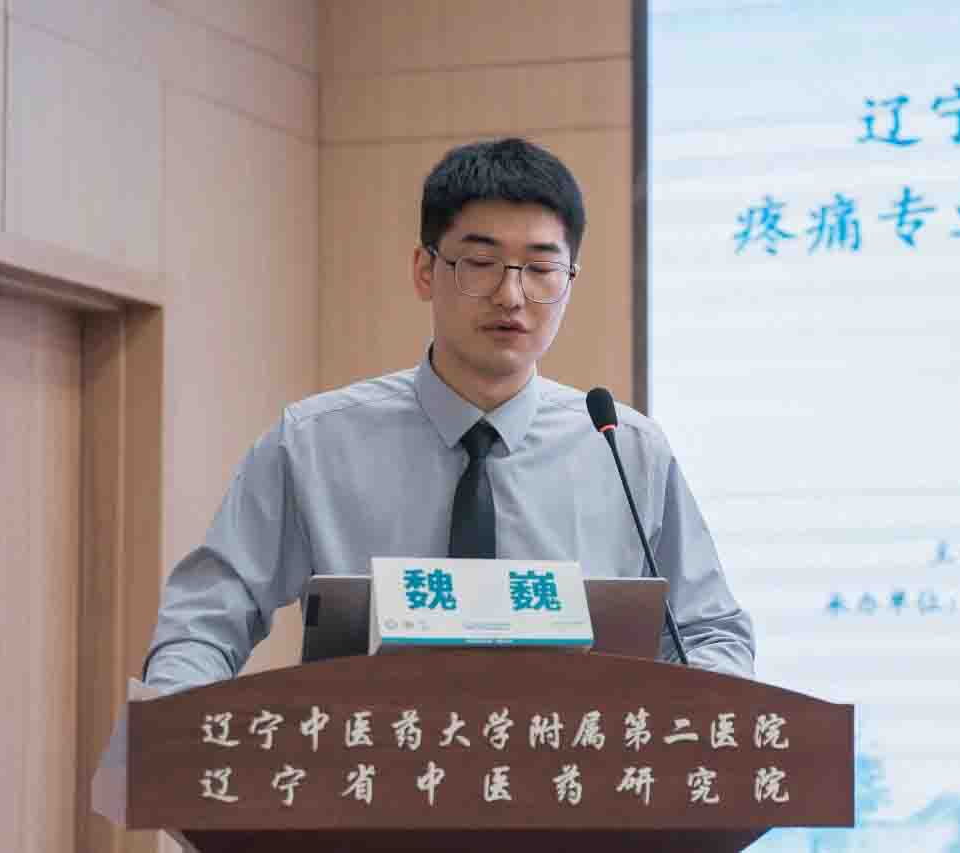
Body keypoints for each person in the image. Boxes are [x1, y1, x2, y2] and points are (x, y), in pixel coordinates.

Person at [143, 138, 754, 692]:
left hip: (570, 771)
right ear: (424, 270)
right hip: (372, 770)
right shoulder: (313, 443)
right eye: (480, 264)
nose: (511, 295)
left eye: (541, 269)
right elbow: (203, 624)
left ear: (569, 281)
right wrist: (176, 733)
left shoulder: (625, 449)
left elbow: (710, 633)